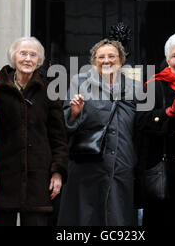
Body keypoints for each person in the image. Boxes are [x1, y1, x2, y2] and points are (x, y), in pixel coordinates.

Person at [57, 39, 138, 226]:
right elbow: (63, 123)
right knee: (86, 218)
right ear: (93, 62)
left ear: (121, 60)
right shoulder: (79, 83)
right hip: (88, 166)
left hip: (121, 165)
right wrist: (74, 113)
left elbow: (139, 126)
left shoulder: (134, 87)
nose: (106, 60)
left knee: (118, 219)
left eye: (112, 56)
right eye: (101, 57)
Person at [0, 37, 68, 226]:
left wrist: (57, 172)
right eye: (23, 53)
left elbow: (59, 136)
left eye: (33, 55)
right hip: (2, 176)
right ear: (13, 57)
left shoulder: (49, 90)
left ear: (39, 60)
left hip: (38, 180)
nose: (28, 59)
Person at [135, 33, 175, 226]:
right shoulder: (154, 86)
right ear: (168, 59)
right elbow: (140, 121)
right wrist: (169, 113)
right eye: (174, 56)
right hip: (162, 170)